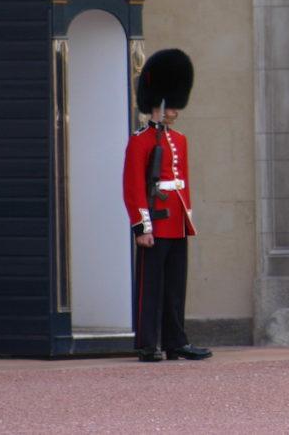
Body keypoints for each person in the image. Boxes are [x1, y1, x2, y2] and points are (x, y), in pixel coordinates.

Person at [123, 48, 211, 362]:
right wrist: (141, 226)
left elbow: (181, 183)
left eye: (176, 106)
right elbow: (133, 187)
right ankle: (148, 343)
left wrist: (187, 218)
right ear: (157, 104)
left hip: (176, 220)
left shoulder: (180, 140)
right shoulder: (141, 140)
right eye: (170, 106)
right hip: (155, 222)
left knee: (175, 287)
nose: (174, 112)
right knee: (151, 286)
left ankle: (176, 341)